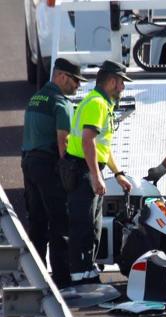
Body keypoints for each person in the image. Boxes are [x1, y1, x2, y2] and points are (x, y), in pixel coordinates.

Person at [65, 60, 133, 285]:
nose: (123, 88)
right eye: (122, 83)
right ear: (112, 81)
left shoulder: (103, 104)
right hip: (82, 169)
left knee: (93, 225)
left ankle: (88, 270)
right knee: (82, 225)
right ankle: (79, 275)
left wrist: (118, 173)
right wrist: (95, 176)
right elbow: (88, 141)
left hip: (88, 167)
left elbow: (103, 145)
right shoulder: (97, 104)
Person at [21, 58, 85, 288]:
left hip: (28, 162)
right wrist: (69, 168)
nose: (78, 87)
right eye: (75, 81)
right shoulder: (60, 102)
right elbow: (63, 139)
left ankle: (34, 276)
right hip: (48, 166)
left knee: (37, 223)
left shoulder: (35, 98)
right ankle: (62, 278)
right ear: (61, 76)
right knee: (60, 222)